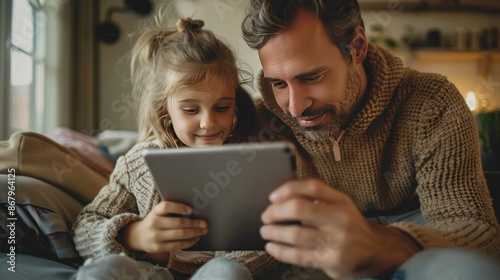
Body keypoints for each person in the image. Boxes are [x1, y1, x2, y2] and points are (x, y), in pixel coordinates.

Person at [241, 0, 500, 279]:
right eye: (278, 83)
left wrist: (385, 245)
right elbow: (254, 238)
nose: (294, 108)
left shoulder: (432, 102)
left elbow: (477, 233)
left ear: (357, 47)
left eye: (312, 77)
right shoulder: (259, 123)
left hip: (413, 253)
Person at [71, 18, 275, 280]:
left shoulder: (253, 160)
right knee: (106, 269)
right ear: (165, 109)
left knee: (227, 273)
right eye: (191, 110)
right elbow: (84, 228)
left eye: (222, 107)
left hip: (218, 274)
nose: (208, 122)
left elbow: (273, 242)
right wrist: (136, 235)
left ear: (235, 104)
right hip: (147, 272)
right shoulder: (139, 163)